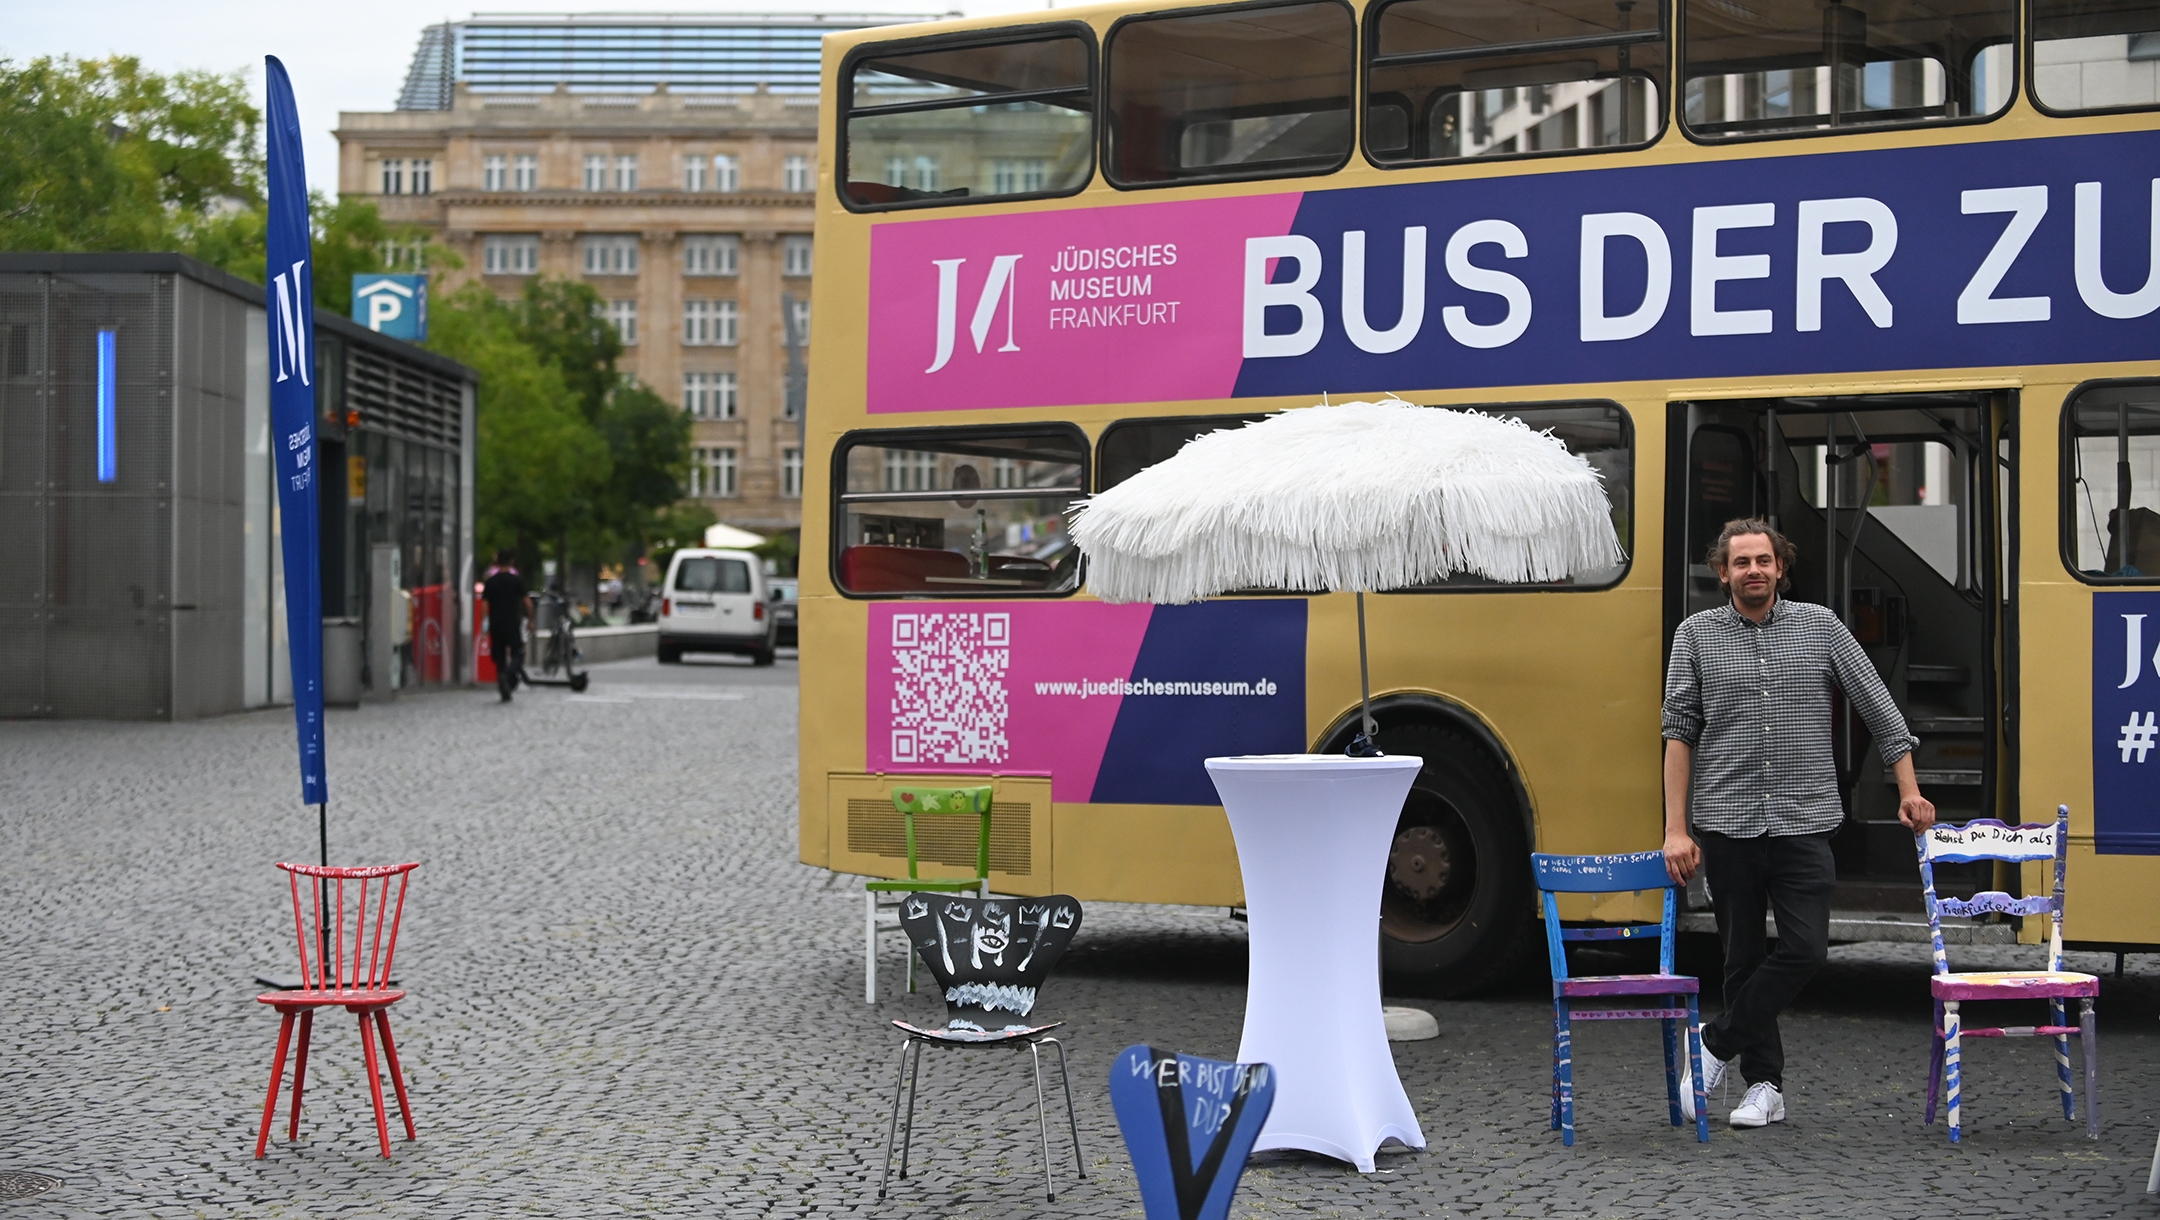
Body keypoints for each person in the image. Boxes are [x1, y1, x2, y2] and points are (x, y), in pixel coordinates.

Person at [1662, 518, 1935, 1128]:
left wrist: (1910, 792)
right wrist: (1675, 828)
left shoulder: (1820, 627)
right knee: (1739, 957)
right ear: (1723, 571)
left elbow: (1882, 712)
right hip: (1727, 822)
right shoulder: (1696, 636)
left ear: (1780, 568)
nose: (1753, 571)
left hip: (1804, 819)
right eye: (1741, 563)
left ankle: (1713, 1044)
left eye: (1763, 561)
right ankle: (1764, 1086)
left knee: (1807, 948)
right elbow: (1678, 732)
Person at [480, 550, 533, 703]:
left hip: (496, 623)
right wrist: (530, 619)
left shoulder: (491, 581)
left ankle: (503, 684)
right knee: (518, 653)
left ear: (497, 561)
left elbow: (484, 604)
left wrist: (485, 621)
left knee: (499, 656)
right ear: (511, 562)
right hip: (512, 622)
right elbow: (527, 602)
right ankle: (510, 673)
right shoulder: (516, 580)